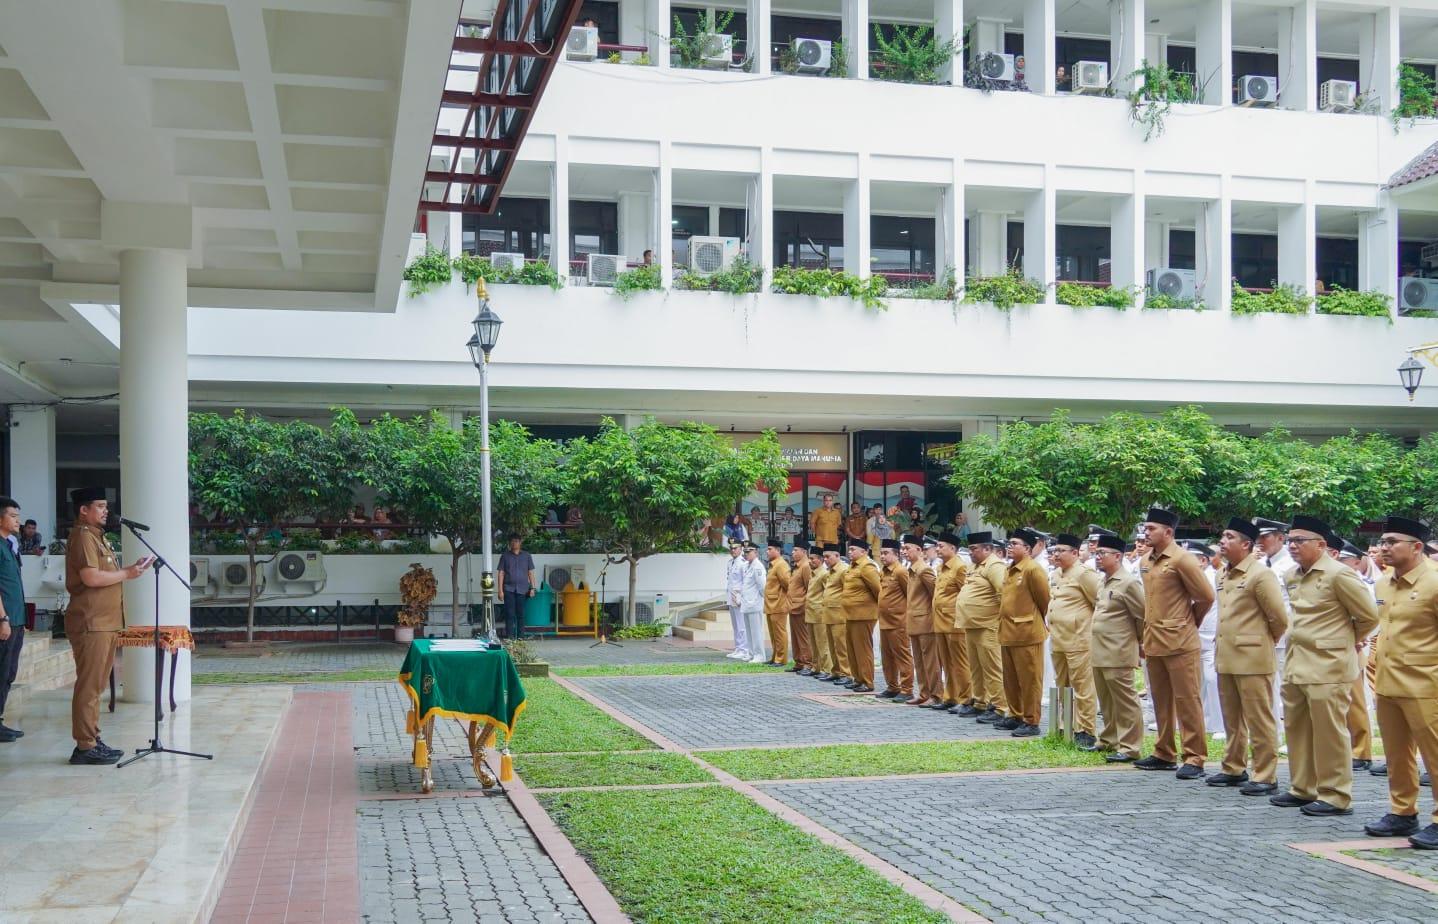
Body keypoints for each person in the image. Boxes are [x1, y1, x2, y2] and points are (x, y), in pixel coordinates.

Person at [1269, 515, 1379, 817]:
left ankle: (1335, 795)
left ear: (1321, 545)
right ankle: (1303, 787)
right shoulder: (1293, 574)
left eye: (1299, 541)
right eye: (1290, 540)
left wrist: (1343, 641)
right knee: (1297, 729)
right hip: (1297, 663)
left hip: (1329, 665)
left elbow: (1369, 617)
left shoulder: (1339, 574)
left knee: (1330, 733)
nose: (1292, 546)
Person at [1363, 516, 1438, 848]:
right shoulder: (1382, 584)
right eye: (1383, 542)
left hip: (1426, 683)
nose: (1384, 547)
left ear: (1417, 547)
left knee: (1434, 755)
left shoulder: (1434, 583)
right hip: (1388, 682)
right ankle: (1402, 811)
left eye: (1393, 541)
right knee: (1396, 753)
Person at [65, 487, 152, 765]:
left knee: (97, 686)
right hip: (91, 622)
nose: (105, 511)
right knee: (90, 687)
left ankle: (92, 738)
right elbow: (90, 578)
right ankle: (84, 746)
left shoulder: (96, 537)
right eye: (100, 506)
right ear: (84, 510)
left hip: (105, 622)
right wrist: (127, 573)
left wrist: (129, 568)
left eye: (105, 506)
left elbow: (103, 575)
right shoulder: (82, 537)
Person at [1207, 518, 1288, 797]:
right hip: (1226, 656)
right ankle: (1233, 767)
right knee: (1232, 718)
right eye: (1222, 536)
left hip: (1253, 657)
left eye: (1229, 537)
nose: (1222, 541)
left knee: (1260, 718)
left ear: (1246, 544)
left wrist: (1265, 640)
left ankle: (1265, 775)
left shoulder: (1260, 574)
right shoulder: (1222, 574)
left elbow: (1278, 617)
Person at [1135, 507, 1215, 779]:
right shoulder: (1145, 560)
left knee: (1188, 700)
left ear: (1168, 532)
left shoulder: (1183, 559)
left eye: (1151, 529)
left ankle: (1194, 757)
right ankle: (1164, 751)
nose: (1146, 533)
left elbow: (1205, 597)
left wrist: (1188, 622)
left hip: (1181, 641)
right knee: (1161, 700)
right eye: (1145, 528)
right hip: (1154, 638)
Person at [1087, 532, 1146, 761]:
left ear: (1118, 556)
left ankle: (1130, 746)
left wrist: (1139, 643)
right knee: (1107, 700)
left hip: (1119, 650)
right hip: (1100, 649)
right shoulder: (1103, 580)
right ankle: (1108, 739)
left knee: (1125, 700)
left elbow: (1142, 616)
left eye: (1102, 553)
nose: (1097, 557)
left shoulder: (1129, 582)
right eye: (1097, 553)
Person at [1047, 533, 1101, 748]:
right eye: (1055, 550)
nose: (1056, 554)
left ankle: (1085, 730)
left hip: (1079, 639)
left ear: (1075, 553)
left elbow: (1100, 603)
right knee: (1062, 684)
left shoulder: (1085, 574)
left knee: (1082, 687)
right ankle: (1065, 724)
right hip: (1058, 638)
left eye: (1061, 550)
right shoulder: (1056, 574)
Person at [998, 528, 1050, 737]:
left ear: (1027, 548)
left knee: (1029, 680)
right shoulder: (1010, 568)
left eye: (1014, 544)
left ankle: (1031, 720)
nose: (1009, 547)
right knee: (1010, 678)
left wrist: (1035, 621)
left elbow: (1044, 601)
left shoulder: (1032, 569)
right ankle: (1015, 714)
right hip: (1008, 631)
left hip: (1027, 632)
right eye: (1009, 544)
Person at [957, 531, 1007, 722]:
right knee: (976, 667)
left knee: (993, 668)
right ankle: (979, 702)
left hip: (988, 625)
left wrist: (998, 619)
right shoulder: (974, 566)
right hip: (972, 625)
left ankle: (999, 706)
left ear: (988, 548)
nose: (971, 552)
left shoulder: (994, 566)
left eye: (974, 549)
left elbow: (1003, 594)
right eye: (970, 549)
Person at [1338, 539, 1377, 772]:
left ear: (1356, 561)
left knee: (1355, 701)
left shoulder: (1362, 583)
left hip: (1355, 646)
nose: (1340, 563)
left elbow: (1371, 616)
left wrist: (1358, 637)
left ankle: (1362, 751)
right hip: (1336, 646)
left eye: (1344, 559)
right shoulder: (1339, 580)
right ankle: (1347, 749)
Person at [1188, 540, 1226, 737]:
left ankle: (1219, 725)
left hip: (1211, 636)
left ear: (1203, 560)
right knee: (1199, 682)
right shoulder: (1192, 578)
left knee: (1213, 680)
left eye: (1191, 559)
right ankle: (1204, 720)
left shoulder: (1213, 577)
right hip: (1195, 635)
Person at [932, 531, 969, 712]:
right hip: (940, 621)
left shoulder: (960, 567)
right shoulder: (941, 567)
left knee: (960, 662)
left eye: (941, 546)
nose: (937, 549)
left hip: (954, 621)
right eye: (937, 546)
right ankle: (950, 696)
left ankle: (965, 698)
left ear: (953, 548)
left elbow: (965, 594)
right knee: (947, 662)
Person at [901, 534, 941, 706]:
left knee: (930, 661)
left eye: (907, 548)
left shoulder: (924, 570)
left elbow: (936, 595)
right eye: (903, 548)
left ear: (919, 550)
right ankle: (924, 693)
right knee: (918, 660)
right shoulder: (912, 569)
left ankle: (937, 694)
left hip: (925, 622)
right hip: (914, 622)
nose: (904, 551)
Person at [0, 497, 27, 742]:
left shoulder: (11, 543)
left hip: (16, 618)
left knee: (9, 672)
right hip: (5, 619)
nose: (17, 521)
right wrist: (3, 619)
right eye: (13, 516)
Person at [841, 538, 882, 693]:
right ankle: (857, 679)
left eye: (853, 550)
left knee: (862, 649)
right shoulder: (852, 566)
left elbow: (878, 590)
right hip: (851, 614)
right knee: (852, 649)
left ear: (864, 552)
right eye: (849, 549)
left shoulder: (867, 567)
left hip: (863, 615)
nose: (850, 552)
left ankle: (867, 681)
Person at [875, 538, 912, 700]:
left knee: (902, 656)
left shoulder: (901, 571)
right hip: (884, 621)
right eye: (881, 553)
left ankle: (907, 689)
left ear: (896, 554)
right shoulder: (883, 571)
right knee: (887, 657)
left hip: (898, 622)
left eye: (886, 553)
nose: (882, 556)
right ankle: (892, 686)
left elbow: (909, 595)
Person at [820, 546, 852, 684]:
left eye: (828, 557)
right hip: (829, 613)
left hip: (839, 614)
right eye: (824, 557)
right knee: (832, 645)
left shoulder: (843, 570)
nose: (825, 560)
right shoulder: (830, 571)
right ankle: (836, 671)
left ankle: (846, 673)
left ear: (837, 556)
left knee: (841, 646)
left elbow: (848, 591)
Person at [496, 533, 536, 639]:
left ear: (520, 542)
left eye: (517, 541)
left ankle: (521, 638)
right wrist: (500, 590)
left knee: (521, 615)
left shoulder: (526, 556)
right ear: (510, 543)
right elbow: (501, 573)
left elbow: (530, 572)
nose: (515, 543)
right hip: (508, 589)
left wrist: (533, 588)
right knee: (509, 614)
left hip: (523, 590)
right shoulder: (505, 556)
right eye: (513, 541)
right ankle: (510, 638)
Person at [806, 545, 833, 679]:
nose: (810, 561)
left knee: (823, 643)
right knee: (814, 643)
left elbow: (826, 593)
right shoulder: (814, 572)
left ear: (821, 560)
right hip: (811, 613)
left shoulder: (823, 574)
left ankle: (826, 669)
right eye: (809, 559)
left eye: (813, 559)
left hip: (819, 613)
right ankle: (815, 666)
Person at [762, 539, 791, 667]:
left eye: (770, 549)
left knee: (780, 633)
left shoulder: (781, 565)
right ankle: (775, 657)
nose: (767, 552)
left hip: (779, 604)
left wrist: (784, 599)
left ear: (778, 551)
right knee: (773, 634)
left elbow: (788, 584)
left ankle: (781, 659)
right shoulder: (773, 564)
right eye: (767, 549)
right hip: (771, 604)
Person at [739, 542, 768, 665]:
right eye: (745, 552)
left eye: (749, 552)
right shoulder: (746, 566)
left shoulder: (758, 566)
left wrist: (760, 600)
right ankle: (751, 653)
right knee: (749, 631)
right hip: (746, 603)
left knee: (756, 631)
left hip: (755, 603)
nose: (746, 554)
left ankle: (759, 655)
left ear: (755, 552)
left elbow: (762, 587)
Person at [785, 544, 813, 673]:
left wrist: (804, 604)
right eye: (793, 550)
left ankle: (807, 663)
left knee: (803, 637)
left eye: (796, 550)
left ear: (804, 551)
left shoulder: (806, 566)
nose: (792, 552)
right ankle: (799, 662)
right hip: (793, 606)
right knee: (796, 638)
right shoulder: (796, 567)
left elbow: (809, 588)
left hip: (801, 607)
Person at [724, 542, 750, 659]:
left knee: (741, 625)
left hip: (739, 598)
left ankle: (744, 650)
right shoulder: (730, 563)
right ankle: (738, 648)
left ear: (741, 549)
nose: (733, 550)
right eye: (731, 548)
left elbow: (745, 582)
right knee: (735, 625)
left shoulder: (743, 563)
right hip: (731, 597)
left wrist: (742, 597)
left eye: (735, 548)